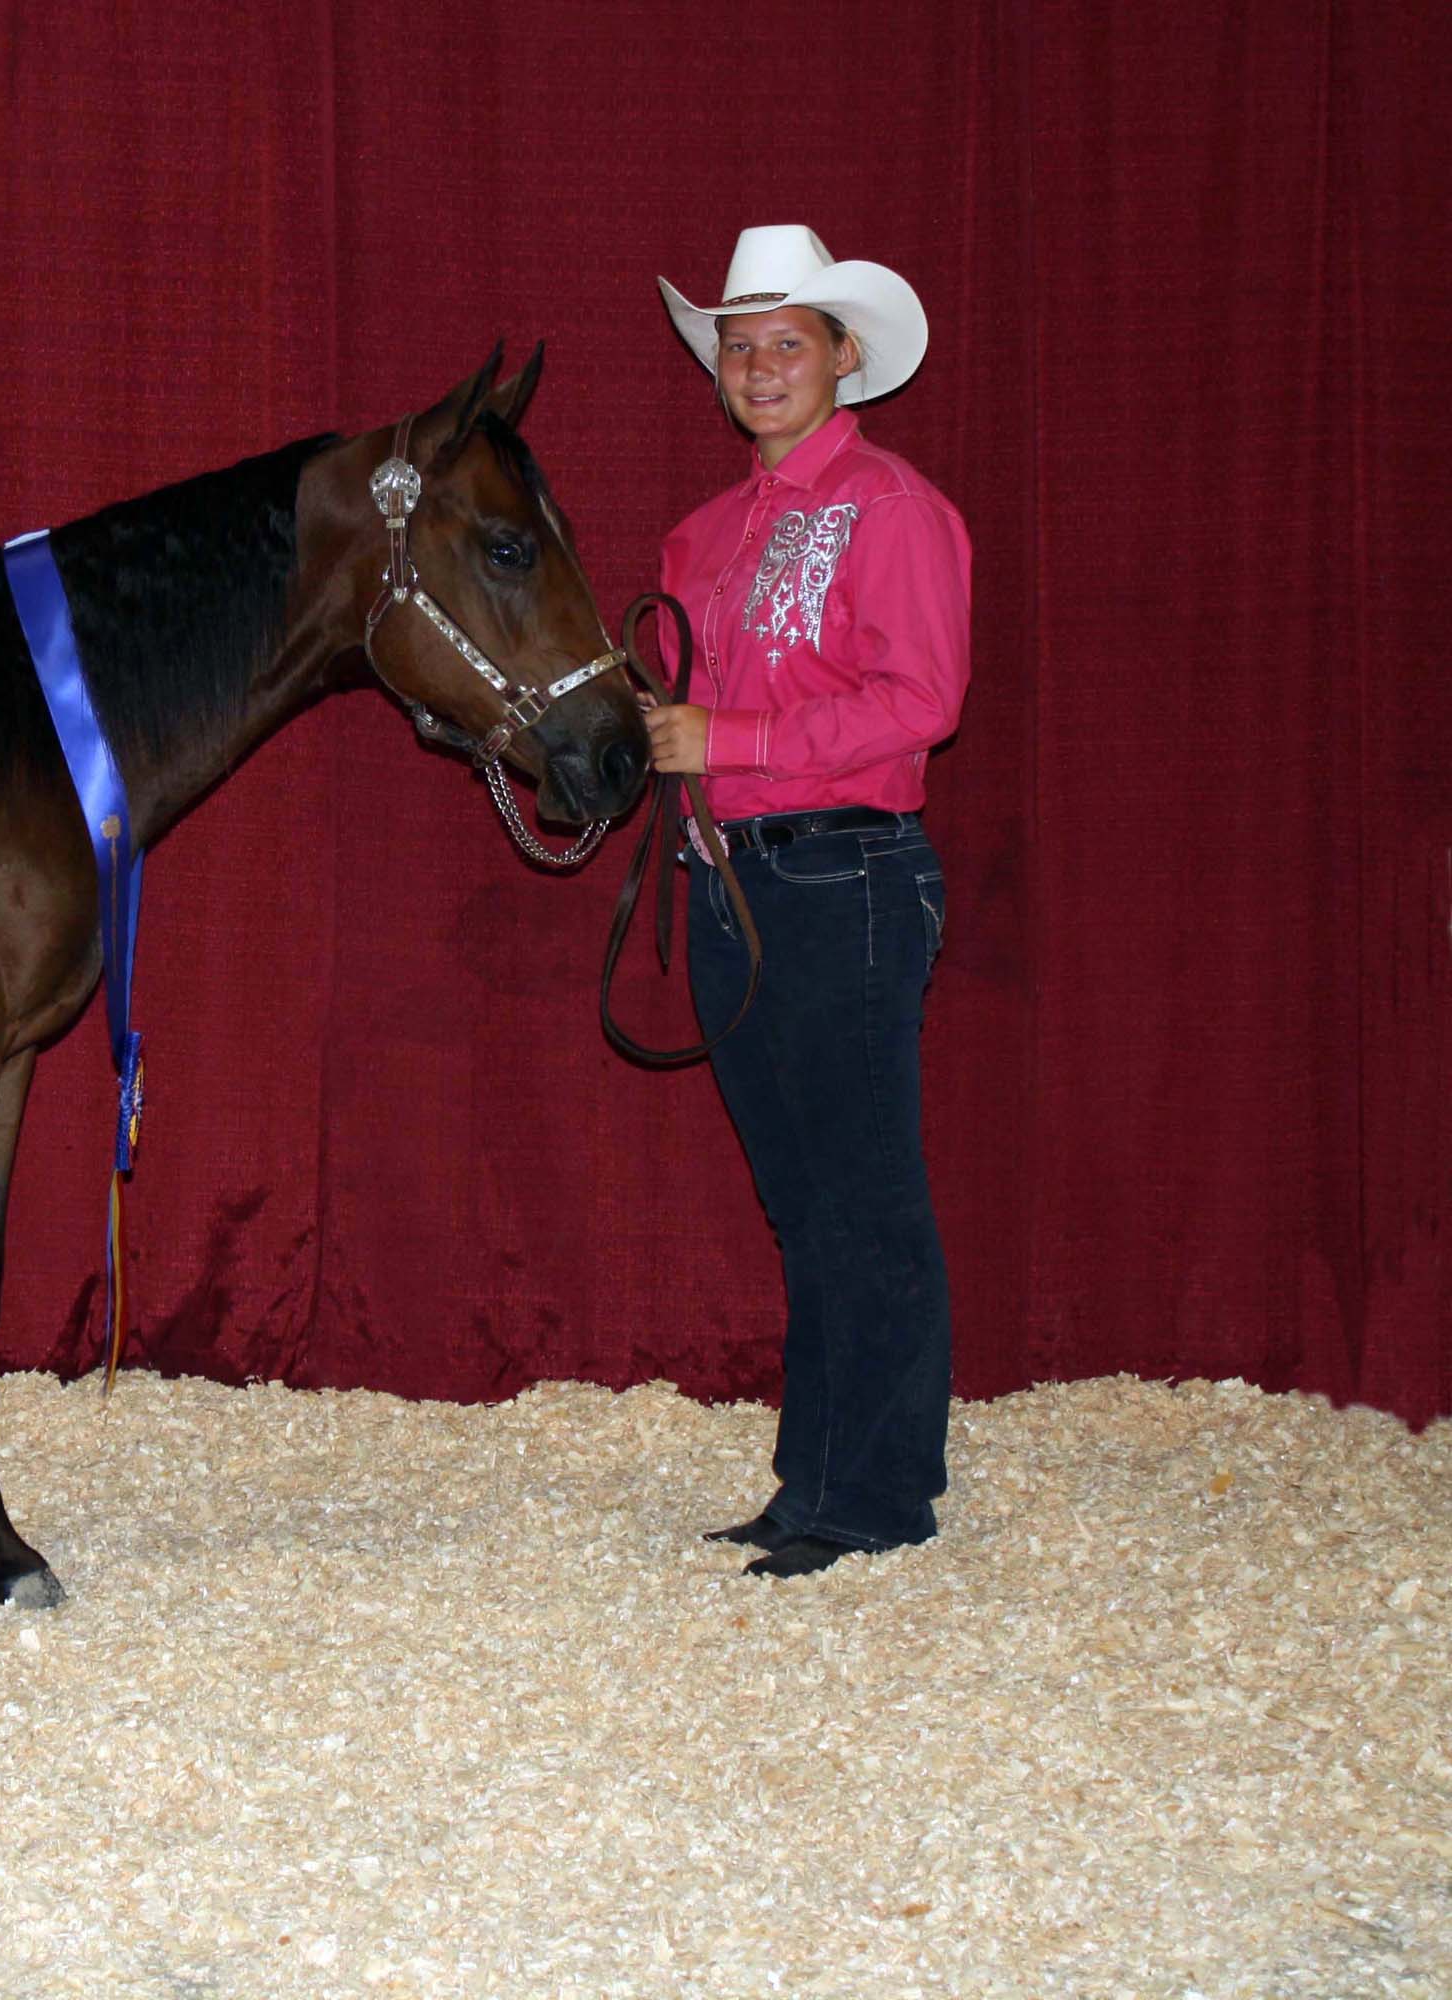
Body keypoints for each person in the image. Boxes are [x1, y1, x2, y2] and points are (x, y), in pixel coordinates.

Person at [643, 225, 970, 1578]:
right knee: (805, 1197)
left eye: (787, 343)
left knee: (863, 1194)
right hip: (733, 879)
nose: (759, 367)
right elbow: (677, 707)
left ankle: (875, 1496)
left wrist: (729, 742)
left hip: (845, 874)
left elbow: (921, 701)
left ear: (844, 358)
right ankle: (816, 1482)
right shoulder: (701, 534)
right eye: (739, 346)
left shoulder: (891, 508)